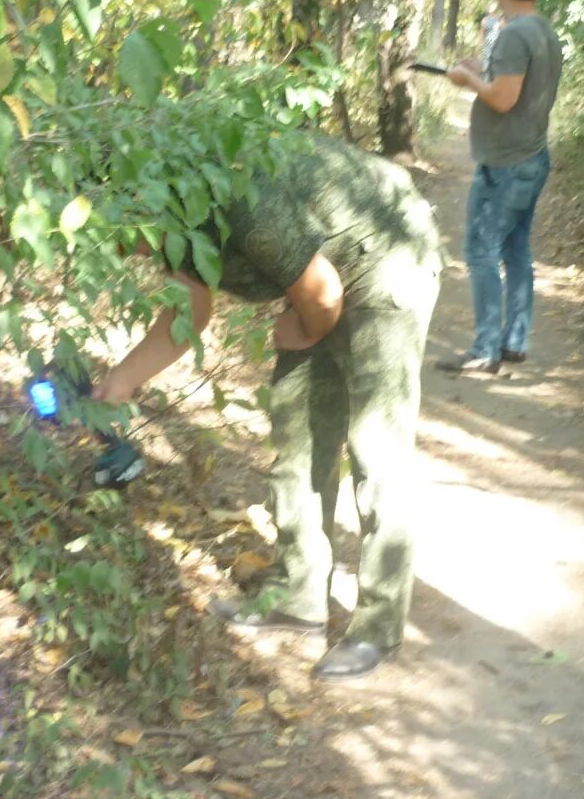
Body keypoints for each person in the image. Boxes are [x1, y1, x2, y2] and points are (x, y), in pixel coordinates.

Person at [92, 133, 443, 681]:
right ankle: (297, 599)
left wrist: (305, 326)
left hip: (389, 253)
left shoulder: (237, 195)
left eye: (119, 240)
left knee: (376, 445)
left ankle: (378, 630)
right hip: (327, 270)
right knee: (298, 431)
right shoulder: (176, 209)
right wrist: (118, 383)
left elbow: (323, 294)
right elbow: (190, 314)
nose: (123, 252)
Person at [438, 0, 564, 375]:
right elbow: (514, 86)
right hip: (530, 155)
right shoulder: (545, 31)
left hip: (507, 162)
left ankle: (485, 350)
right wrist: (481, 71)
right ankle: (514, 342)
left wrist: (467, 81)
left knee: (480, 251)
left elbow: (505, 99)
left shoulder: (515, 34)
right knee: (515, 248)